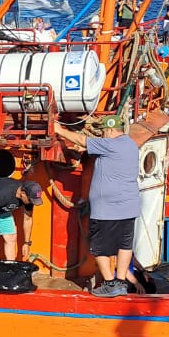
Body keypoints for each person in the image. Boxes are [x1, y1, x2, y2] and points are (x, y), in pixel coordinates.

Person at [54, 113, 140, 296]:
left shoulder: (109, 144)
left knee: (98, 247)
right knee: (124, 245)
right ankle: (121, 281)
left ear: (109, 129)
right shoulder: (130, 144)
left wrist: (58, 129)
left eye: (103, 132)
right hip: (129, 207)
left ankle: (109, 283)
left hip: (107, 210)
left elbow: (81, 139)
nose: (102, 135)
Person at [0, 176, 44, 261]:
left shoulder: (28, 198)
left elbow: (27, 219)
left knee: (11, 237)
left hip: (3, 210)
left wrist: (26, 243)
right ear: (23, 194)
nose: (32, 203)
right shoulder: (4, 194)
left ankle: (10, 269)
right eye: (31, 200)